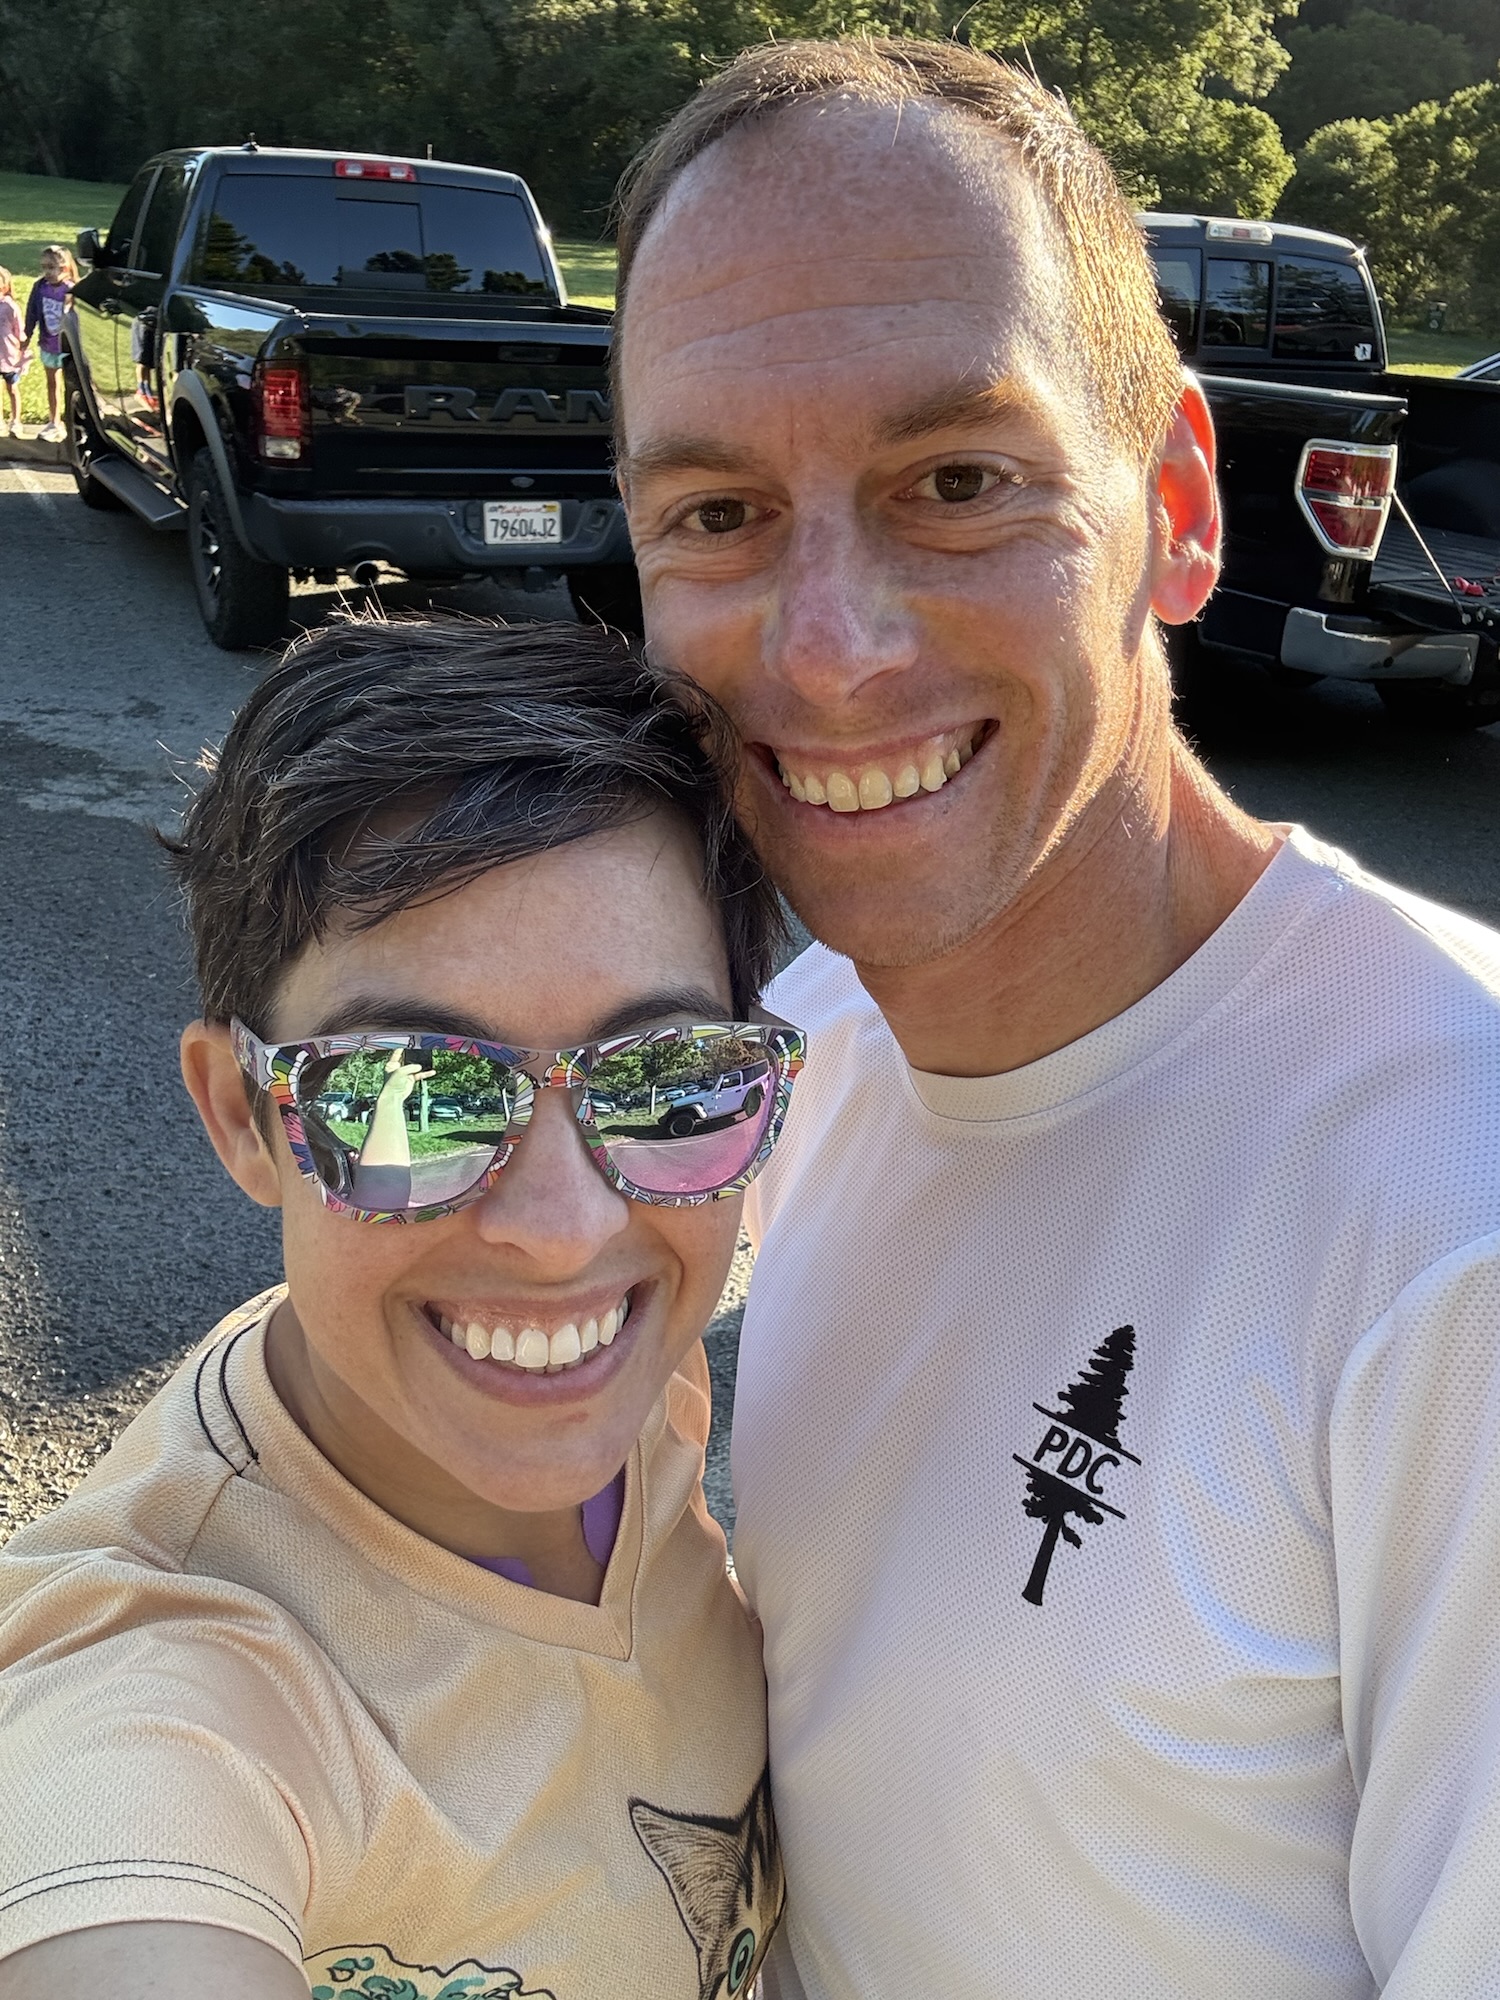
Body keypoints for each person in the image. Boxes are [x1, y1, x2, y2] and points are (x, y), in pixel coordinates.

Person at [610, 37, 1500, 2000]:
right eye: (719, 512)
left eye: (956, 482)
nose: (828, 650)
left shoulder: (1454, 1213)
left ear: (1175, 503)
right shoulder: (813, 1043)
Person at [0, 617, 798, 2000]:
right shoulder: (164, 1683)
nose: (564, 1233)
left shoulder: (632, 1379)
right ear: (240, 1114)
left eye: (664, 1080)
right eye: (407, 1099)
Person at [21, 243, 75, 442]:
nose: (47, 272)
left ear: (64, 268)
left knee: (72, 386)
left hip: (68, 348)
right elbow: (32, 312)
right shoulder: (40, 287)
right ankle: (54, 422)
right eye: (44, 267)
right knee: (52, 384)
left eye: (51, 267)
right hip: (48, 344)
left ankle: (73, 422)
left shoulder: (71, 290)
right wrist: (26, 336)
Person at [0, 267, 23, 438]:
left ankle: (16, 421)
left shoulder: (10, 306)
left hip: (9, 355)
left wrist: (21, 350)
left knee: (13, 388)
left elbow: (19, 330)